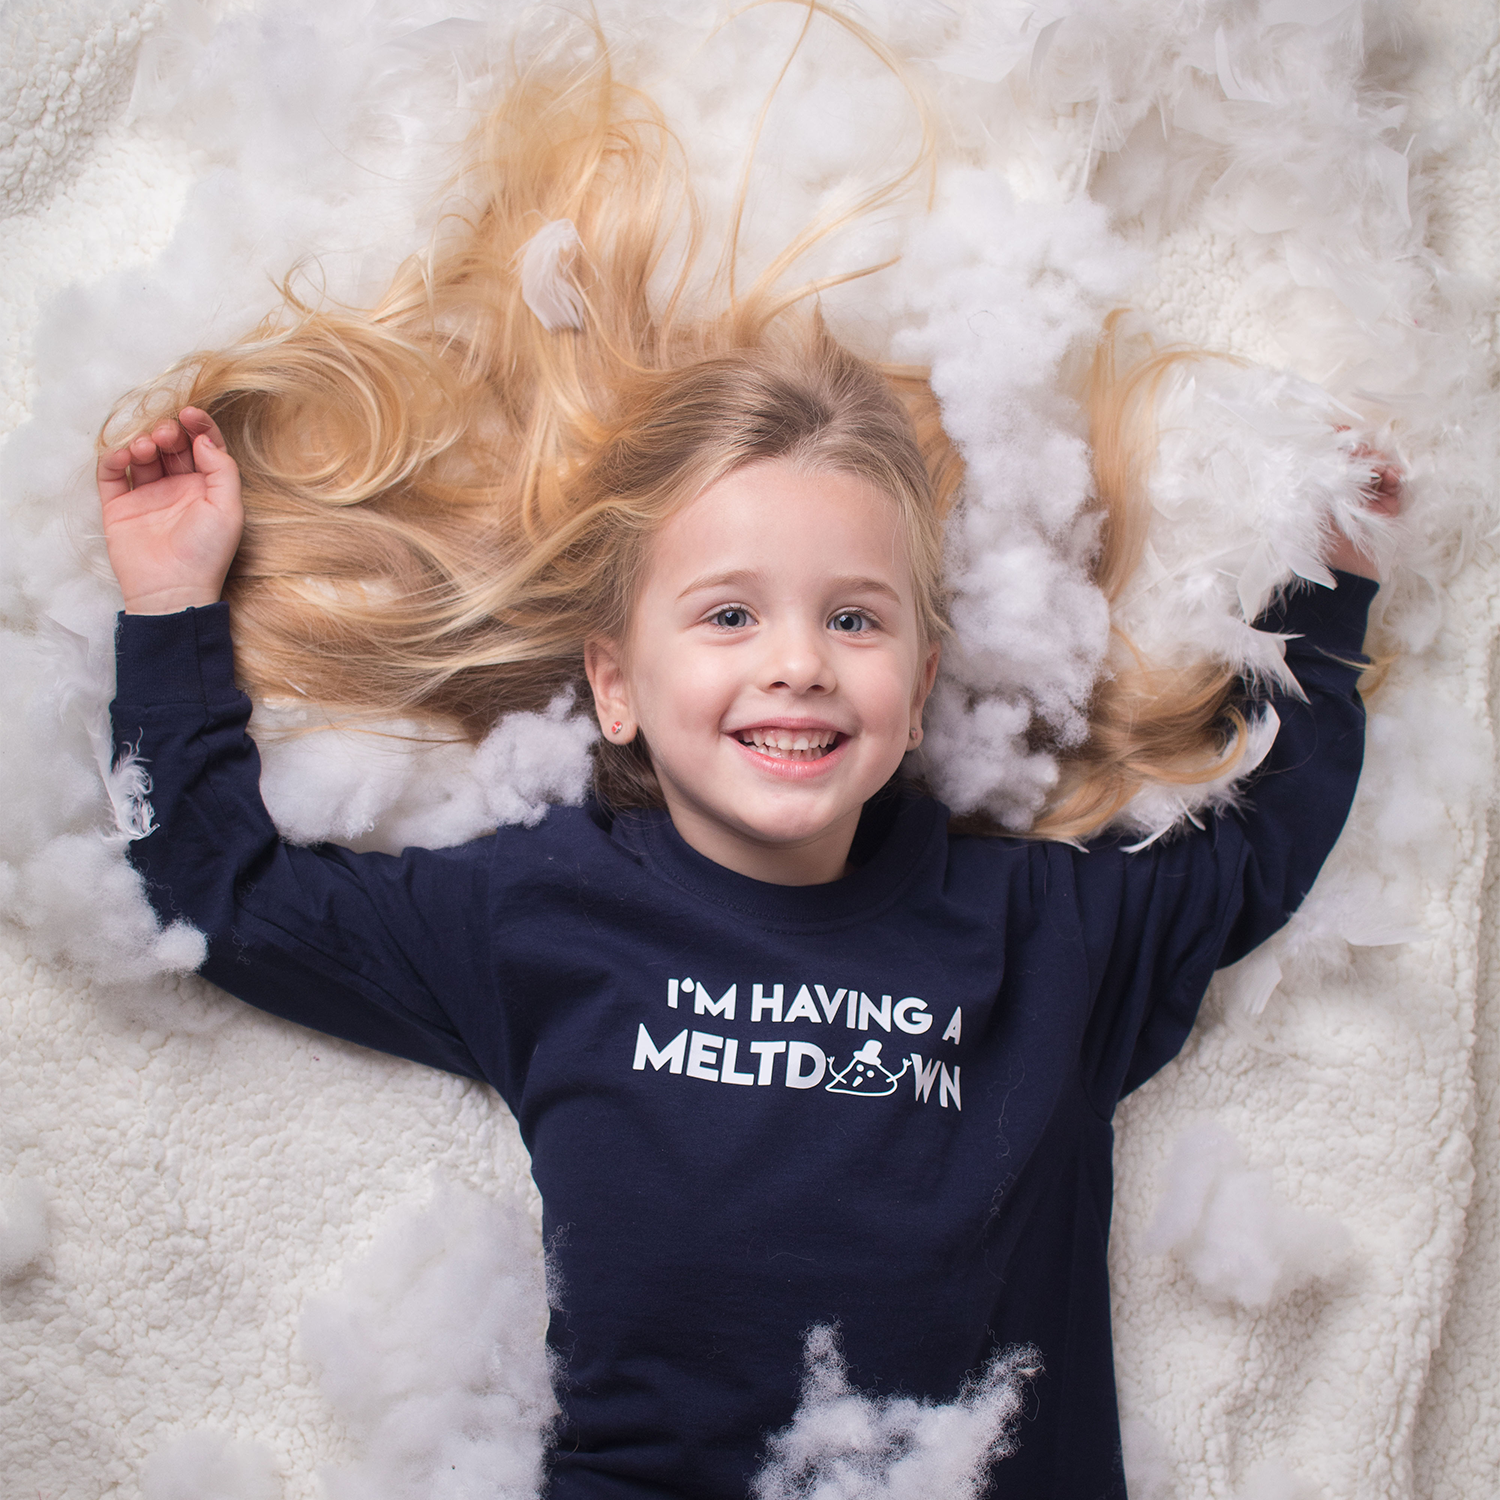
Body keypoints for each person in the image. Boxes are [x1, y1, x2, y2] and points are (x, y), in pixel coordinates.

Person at [95, 39, 1398, 1500]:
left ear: (918, 683)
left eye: (855, 618)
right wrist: (166, 608)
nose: (797, 662)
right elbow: (219, 887)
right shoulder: (538, 916)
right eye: (727, 615)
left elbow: (1262, 848)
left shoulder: (1050, 937)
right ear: (615, 683)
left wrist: (1328, 596)